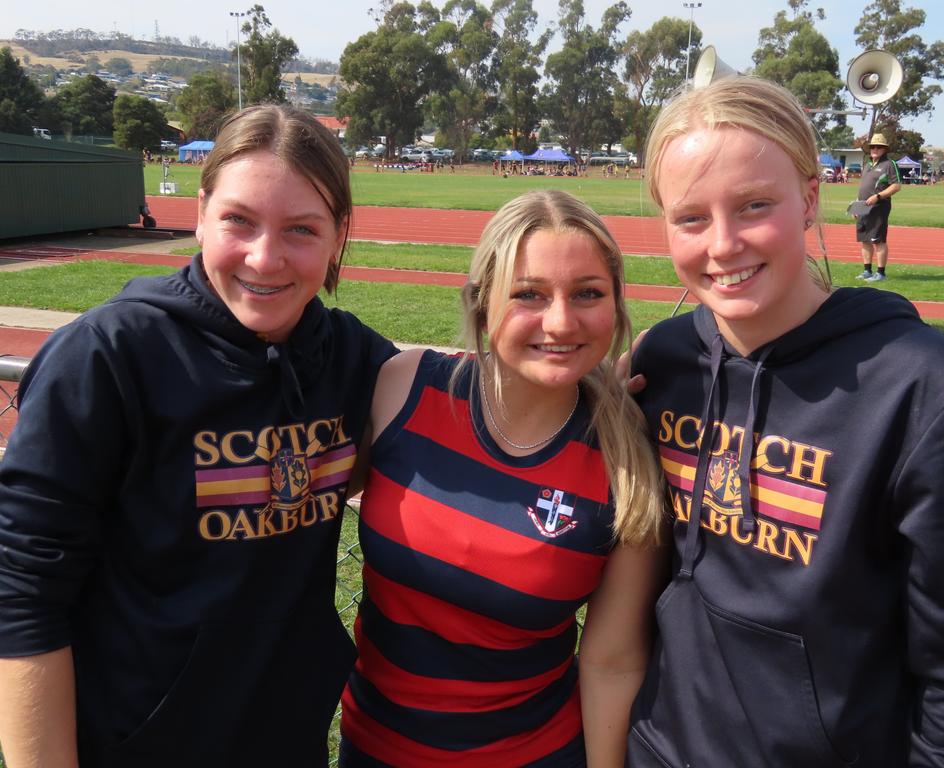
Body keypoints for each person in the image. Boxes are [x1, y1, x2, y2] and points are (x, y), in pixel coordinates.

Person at [626, 76, 944, 767]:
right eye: (691, 218)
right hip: (659, 749)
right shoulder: (665, 363)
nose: (722, 245)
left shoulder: (927, 390)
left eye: (754, 205)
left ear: (809, 198)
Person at [0, 105, 396, 767]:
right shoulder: (108, 356)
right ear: (203, 210)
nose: (265, 258)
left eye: (301, 229)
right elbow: (22, 594)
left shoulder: (353, 361)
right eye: (239, 220)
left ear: (339, 235)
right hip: (132, 745)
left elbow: (474, 406)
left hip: (285, 744)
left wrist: (602, 383)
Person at [339, 190, 668, 767]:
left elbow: (610, 662)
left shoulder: (629, 461)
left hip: (533, 755)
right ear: (481, 302)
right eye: (528, 295)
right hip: (372, 748)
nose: (561, 321)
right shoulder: (403, 388)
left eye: (588, 293)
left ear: (616, 305)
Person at [854, 132, 901, 282]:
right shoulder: (867, 165)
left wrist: (878, 196)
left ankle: (880, 273)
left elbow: (896, 185)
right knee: (865, 240)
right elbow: (863, 187)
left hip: (879, 207)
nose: (875, 149)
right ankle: (867, 270)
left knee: (878, 240)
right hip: (863, 207)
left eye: (878, 147)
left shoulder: (889, 164)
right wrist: (856, 205)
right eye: (872, 147)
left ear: (884, 149)